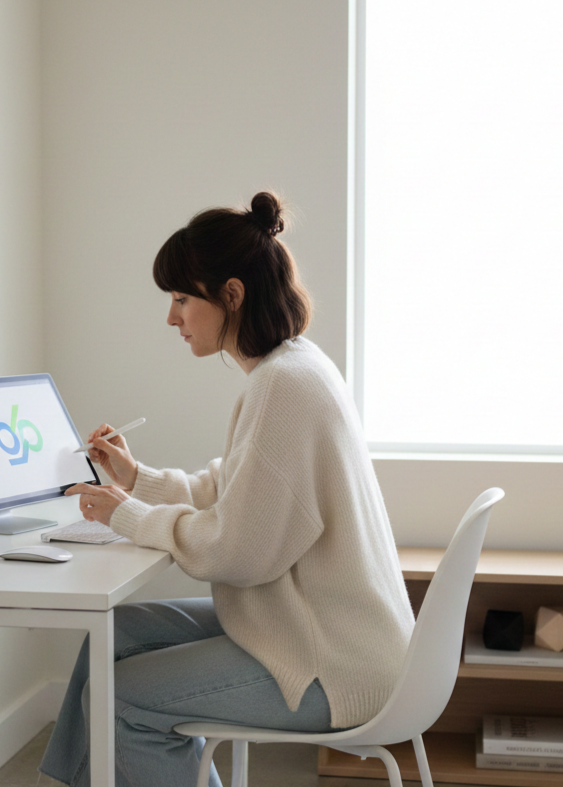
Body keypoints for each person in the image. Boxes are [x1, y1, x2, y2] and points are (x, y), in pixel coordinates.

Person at [39, 192, 415, 787]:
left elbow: (236, 551)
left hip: (331, 660)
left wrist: (129, 516)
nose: (172, 317)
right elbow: (239, 489)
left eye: (182, 299)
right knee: (107, 639)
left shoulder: (283, 387)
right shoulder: (294, 366)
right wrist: (138, 481)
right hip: (311, 627)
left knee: (122, 700)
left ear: (232, 296)